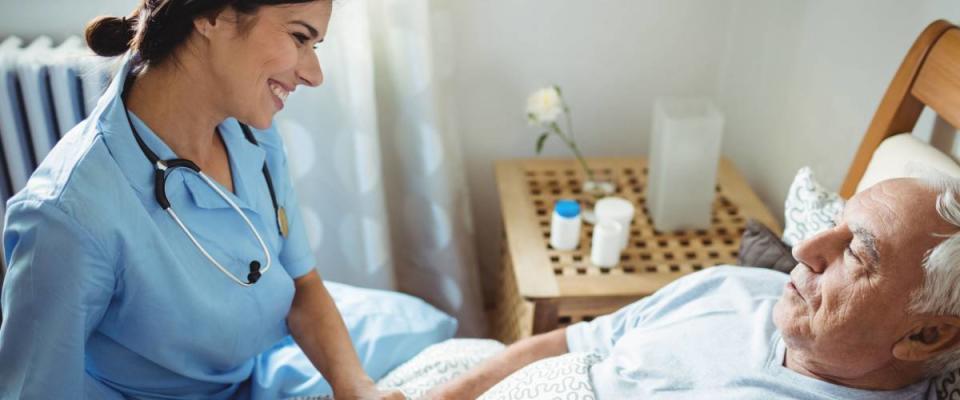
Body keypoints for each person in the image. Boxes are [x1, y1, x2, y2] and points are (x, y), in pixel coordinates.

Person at [0, 1, 403, 399]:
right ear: (212, 15)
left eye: (314, 46)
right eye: (299, 36)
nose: (314, 75)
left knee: (421, 335)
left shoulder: (250, 130)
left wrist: (355, 387)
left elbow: (303, 285)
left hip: (255, 371)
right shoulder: (67, 216)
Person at [431, 176, 960, 399]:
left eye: (858, 252)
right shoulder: (742, 286)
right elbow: (569, 343)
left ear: (927, 334)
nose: (805, 250)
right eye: (835, 224)